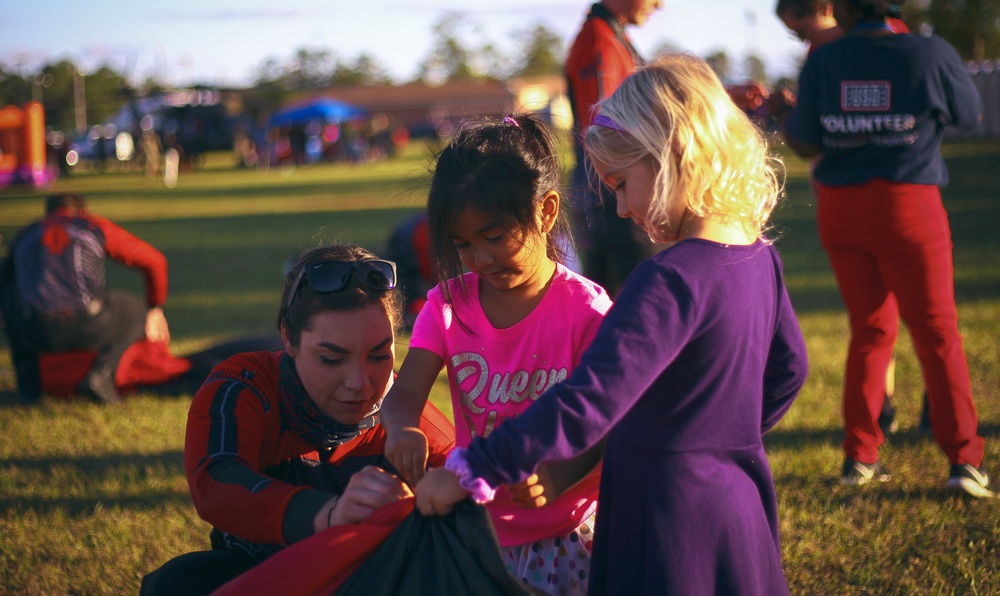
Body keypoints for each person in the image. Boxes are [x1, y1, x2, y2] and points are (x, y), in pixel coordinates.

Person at [415, 55, 810, 595]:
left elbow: (587, 401)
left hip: (665, 510)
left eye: (622, 184)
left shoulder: (666, 280)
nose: (622, 209)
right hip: (738, 496)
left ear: (673, 156)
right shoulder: (761, 259)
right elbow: (790, 368)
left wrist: (473, 467)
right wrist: (724, 437)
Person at [140, 244, 456, 595]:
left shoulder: (412, 427)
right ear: (289, 338)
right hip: (261, 578)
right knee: (177, 583)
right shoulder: (246, 385)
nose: (360, 383)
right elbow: (216, 479)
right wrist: (329, 514)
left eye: (380, 355)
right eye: (331, 359)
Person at [382, 113, 613, 594]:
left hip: (572, 529)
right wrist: (402, 427)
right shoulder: (448, 305)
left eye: (493, 237)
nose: (479, 259)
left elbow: (612, 420)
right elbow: (405, 391)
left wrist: (559, 474)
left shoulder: (587, 311)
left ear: (545, 212)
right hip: (480, 528)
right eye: (462, 244)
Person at [774, 0, 990, 496]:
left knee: (870, 331)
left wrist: (785, 110)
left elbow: (805, 142)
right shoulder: (929, 51)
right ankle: (965, 461)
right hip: (907, 204)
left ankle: (861, 457)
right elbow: (967, 113)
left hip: (843, 210)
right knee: (936, 331)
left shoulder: (823, 60)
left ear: (844, 10)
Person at [772, 0, 923, 437]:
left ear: (825, 7)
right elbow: (811, 136)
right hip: (844, 201)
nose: (800, 39)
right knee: (873, 317)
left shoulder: (889, 35)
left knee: (924, 315)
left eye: (800, 27)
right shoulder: (821, 57)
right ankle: (883, 407)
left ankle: (935, 406)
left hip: (898, 194)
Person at [0, 193, 169, 405]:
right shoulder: (92, 225)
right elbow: (155, 261)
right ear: (83, 212)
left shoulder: (28, 232)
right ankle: (102, 373)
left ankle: (29, 387)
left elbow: (4, 281)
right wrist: (155, 307)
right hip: (89, 324)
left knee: (9, 301)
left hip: (35, 330)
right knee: (134, 307)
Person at [565, 0, 662, 297]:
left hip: (609, 189)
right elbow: (602, 131)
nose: (660, 5)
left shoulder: (610, 35)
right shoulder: (599, 42)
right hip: (610, 193)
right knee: (638, 300)